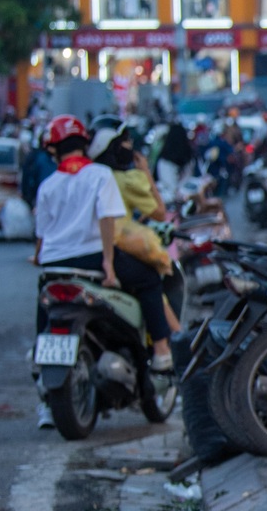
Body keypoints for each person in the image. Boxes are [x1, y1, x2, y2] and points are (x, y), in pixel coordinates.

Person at [33, 115, 174, 372]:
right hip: (92, 259)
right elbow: (107, 219)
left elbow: (42, 234)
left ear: (53, 149)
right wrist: (108, 263)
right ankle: (162, 350)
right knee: (149, 279)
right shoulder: (100, 175)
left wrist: (38, 257)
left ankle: (39, 364)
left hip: (54, 264)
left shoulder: (47, 186)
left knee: (45, 303)